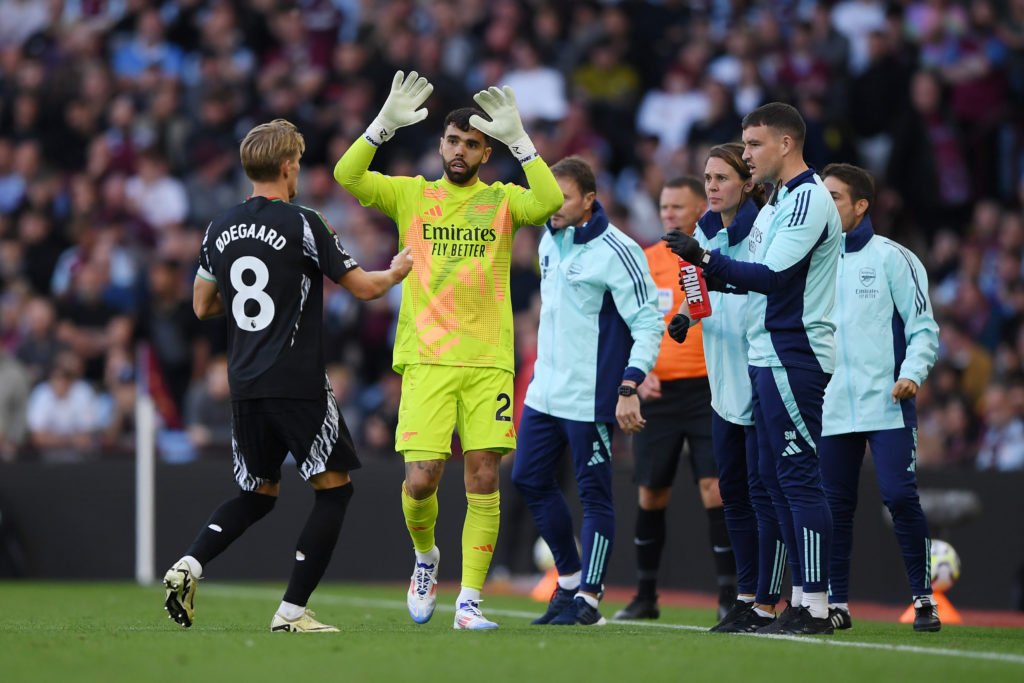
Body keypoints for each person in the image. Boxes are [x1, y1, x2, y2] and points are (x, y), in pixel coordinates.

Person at [162, 118, 412, 633]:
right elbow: (364, 289)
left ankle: (190, 563)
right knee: (335, 489)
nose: (299, 168)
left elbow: (202, 304)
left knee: (256, 494)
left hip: (245, 383)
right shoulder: (303, 221)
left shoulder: (218, 227)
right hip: (297, 381)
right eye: (297, 161)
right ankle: (292, 611)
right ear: (286, 165)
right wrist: (397, 271)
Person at [333, 72, 563, 630]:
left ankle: (469, 603)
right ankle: (426, 559)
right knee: (422, 481)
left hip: (488, 361)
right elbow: (347, 174)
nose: (461, 151)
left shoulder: (503, 202)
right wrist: (383, 124)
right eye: (453, 141)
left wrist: (522, 141)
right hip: (427, 360)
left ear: (487, 151)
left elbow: (553, 199)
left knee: (483, 475)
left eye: (473, 144)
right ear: (441, 145)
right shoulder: (412, 194)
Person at [664, 102, 842, 634]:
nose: (746, 156)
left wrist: (705, 261)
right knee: (769, 481)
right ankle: (778, 601)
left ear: (785, 144)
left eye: (753, 146)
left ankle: (813, 605)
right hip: (767, 353)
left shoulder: (807, 199)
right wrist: (701, 285)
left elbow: (770, 275)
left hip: (793, 351)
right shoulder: (781, 203)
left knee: (796, 481)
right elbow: (745, 279)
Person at [513, 155, 663, 626]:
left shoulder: (619, 250)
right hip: (544, 393)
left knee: (594, 496)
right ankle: (571, 580)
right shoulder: (548, 239)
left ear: (590, 200)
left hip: (591, 395)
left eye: (562, 198)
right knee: (528, 479)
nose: (552, 206)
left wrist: (630, 383)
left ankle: (589, 600)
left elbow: (648, 322)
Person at [818, 162, 941, 632]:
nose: (825, 207)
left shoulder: (895, 258)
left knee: (899, 496)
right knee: (834, 507)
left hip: (887, 400)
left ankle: (924, 598)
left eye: (834, 198)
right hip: (829, 407)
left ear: (861, 205)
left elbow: (924, 328)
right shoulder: (813, 259)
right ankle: (836, 605)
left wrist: (912, 373)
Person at [613, 176, 738, 623]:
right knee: (651, 494)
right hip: (658, 392)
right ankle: (646, 595)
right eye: (663, 207)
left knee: (715, 490)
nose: (668, 214)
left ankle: (729, 596)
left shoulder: (715, 256)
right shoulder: (644, 262)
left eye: (677, 207)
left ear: (698, 209)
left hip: (707, 387)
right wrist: (635, 375)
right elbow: (625, 324)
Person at [689, 143, 784, 633]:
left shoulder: (765, 231)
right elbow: (698, 297)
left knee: (764, 491)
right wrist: (685, 317)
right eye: (707, 178)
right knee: (733, 492)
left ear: (747, 183)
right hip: (721, 378)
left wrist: (703, 264)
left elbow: (762, 285)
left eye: (722, 177)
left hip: (761, 368)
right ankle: (746, 596)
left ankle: (771, 598)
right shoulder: (701, 231)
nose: (711, 186)